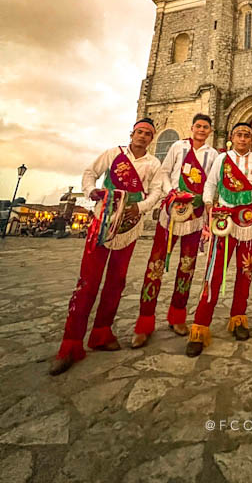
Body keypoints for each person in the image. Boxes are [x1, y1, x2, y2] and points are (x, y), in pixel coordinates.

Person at [49, 118, 163, 376]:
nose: (143, 136)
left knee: (116, 280)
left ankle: (102, 332)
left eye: (148, 134)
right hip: (102, 222)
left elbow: (157, 192)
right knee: (88, 281)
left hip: (129, 225)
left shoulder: (153, 163)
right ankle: (71, 344)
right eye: (140, 132)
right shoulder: (113, 154)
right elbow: (90, 172)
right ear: (132, 133)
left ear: (152, 139)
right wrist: (90, 191)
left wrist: (140, 207)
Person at [132, 114, 218, 348]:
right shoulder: (178, 146)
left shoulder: (213, 155)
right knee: (156, 265)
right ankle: (144, 323)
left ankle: (177, 316)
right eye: (198, 126)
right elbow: (165, 172)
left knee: (187, 266)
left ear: (210, 131)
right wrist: (172, 194)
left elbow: (211, 182)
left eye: (205, 127)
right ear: (191, 128)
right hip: (171, 212)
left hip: (195, 216)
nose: (201, 130)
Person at [185, 122, 252, 357]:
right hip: (224, 221)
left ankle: (239, 318)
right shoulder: (221, 159)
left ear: (251, 139)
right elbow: (210, 184)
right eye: (239, 134)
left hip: (249, 221)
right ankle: (200, 326)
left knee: (246, 271)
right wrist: (209, 205)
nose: (243, 138)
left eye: (247, 135)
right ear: (232, 137)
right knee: (214, 273)